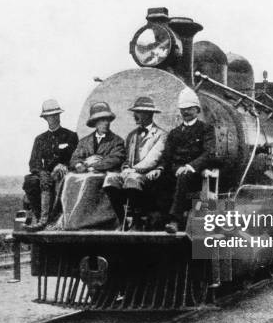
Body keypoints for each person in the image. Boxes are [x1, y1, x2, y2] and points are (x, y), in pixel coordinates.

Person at [103, 96, 168, 231]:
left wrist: (133, 170)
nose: (134, 115)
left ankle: (137, 222)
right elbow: (126, 159)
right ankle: (122, 220)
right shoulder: (131, 135)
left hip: (150, 175)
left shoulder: (161, 134)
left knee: (133, 180)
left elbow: (153, 159)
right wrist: (126, 167)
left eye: (138, 112)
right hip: (131, 173)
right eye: (135, 112)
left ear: (149, 114)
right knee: (110, 180)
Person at [59, 102, 126, 230]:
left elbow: (115, 159)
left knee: (90, 180)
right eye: (102, 120)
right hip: (86, 173)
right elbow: (74, 159)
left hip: (105, 175)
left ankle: (95, 221)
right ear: (95, 122)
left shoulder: (117, 141)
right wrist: (83, 164)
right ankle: (71, 221)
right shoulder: (85, 141)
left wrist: (94, 166)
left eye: (107, 120)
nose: (106, 123)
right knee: (69, 179)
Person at [159, 88, 215, 233]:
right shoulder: (174, 133)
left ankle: (174, 221)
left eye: (189, 109)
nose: (185, 112)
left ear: (197, 110)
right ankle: (154, 219)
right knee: (159, 178)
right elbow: (167, 156)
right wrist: (169, 168)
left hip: (195, 173)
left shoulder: (206, 129)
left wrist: (190, 166)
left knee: (183, 177)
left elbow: (209, 153)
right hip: (176, 170)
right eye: (183, 109)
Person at [23, 99, 78, 230]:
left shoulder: (70, 136)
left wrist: (65, 166)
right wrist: (42, 173)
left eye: (55, 115)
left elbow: (76, 158)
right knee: (29, 181)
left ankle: (53, 219)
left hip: (64, 172)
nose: (53, 118)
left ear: (59, 115)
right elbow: (34, 162)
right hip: (46, 175)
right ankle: (40, 218)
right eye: (50, 116)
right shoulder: (40, 139)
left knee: (60, 178)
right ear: (45, 118)